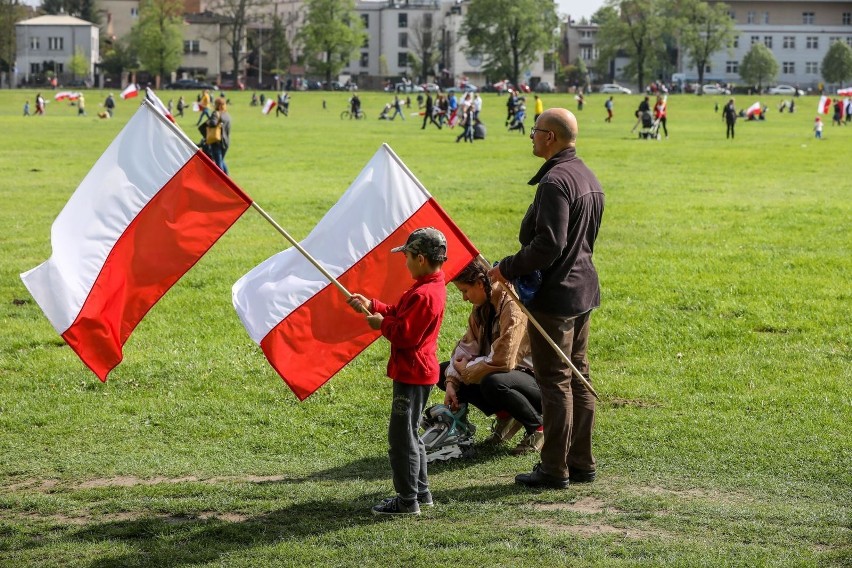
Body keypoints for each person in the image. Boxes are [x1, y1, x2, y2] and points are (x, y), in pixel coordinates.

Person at [488, 108, 604, 489]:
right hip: (583, 288)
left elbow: (548, 244)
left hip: (556, 297)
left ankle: (555, 468)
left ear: (550, 137)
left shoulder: (555, 181)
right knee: (578, 375)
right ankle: (581, 462)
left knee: (555, 382)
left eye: (535, 132)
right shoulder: (586, 175)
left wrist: (506, 267)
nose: (532, 137)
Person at [347, 228, 449, 516]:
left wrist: (381, 325)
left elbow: (406, 335)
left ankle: (407, 501)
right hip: (416, 371)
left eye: (406, 256)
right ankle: (421, 492)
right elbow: (400, 312)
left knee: (401, 438)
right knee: (411, 435)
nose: (403, 262)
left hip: (412, 373)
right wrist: (373, 305)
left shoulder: (425, 294)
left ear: (419, 258)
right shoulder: (427, 287)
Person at [439, 261, 543, 455]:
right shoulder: (482, 306)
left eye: (465, 291)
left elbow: (504, 360)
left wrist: (465, 371)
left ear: (480, 282)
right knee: (442, 371)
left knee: (492, 381)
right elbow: (467, 346)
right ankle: (506, 415)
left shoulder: (512, 306)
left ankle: (538, 428)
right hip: (507, 375)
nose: (464, 298)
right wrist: (452, 381)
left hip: (538, 384)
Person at [201, 97, 231, 174]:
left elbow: (213, 123)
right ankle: (227, 178)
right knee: (221, 160)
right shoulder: (226, 115)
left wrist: (208, 123)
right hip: (226, 142)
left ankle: (223, 181)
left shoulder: (216, 113)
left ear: (217, 105)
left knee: (219, 164)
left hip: (216, 141)